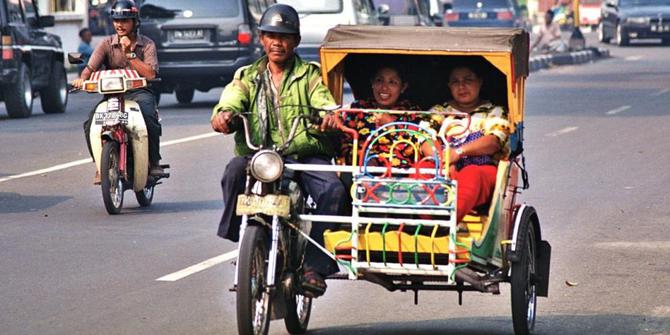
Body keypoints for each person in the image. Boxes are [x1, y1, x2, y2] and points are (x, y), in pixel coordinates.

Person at [210, 4, 345, 298]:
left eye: (284, 37)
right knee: (233, 170)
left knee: (333, 189)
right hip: (262, 155)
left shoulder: (308, 75)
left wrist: (329, 114)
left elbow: (323, 100)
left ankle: (315, 265)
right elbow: (232, 99)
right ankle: (244, 238)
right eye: (271, 35)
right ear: (261, 39)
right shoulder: (248, 75)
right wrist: (225, 115)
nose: (277, 42)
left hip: (304, 153)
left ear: (295, 41)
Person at [73, 0, 163, 184]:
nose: (120, 25)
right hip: (112, 96)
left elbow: (151, 73)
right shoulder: (105, 43)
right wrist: (82, 79)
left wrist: (130, 54)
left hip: (138, 94)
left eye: (125, 20)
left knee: (149, 117)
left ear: (135, 22)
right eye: (116, 20)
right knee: (90, 124)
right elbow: (90, 68)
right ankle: (100, 166)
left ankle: (154, 162)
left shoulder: (147, 44)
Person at [423, 64, 510, 223]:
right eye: (455, 82)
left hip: (481, 169)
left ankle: (446, 222)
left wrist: (458, 153)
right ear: (449, 86)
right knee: (421, 170)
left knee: (472, 174)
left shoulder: (494, 111)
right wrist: (442, 160)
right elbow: (424, 137)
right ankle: (426, 220)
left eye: (468, 80)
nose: (461, 86)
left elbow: (494, 141)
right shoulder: (439, 111)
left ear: (480, 82)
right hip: (442, 165)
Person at [339, 64, 422, 169]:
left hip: (400, 174)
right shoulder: (358, 108)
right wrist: (362, 157)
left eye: (392, 82)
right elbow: (344, 144)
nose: (384, 87)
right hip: (362, 169)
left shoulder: (412, 112)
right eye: (379, 80)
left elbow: (414, 150)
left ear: (403, 87)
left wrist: (391, 125)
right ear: (372, 83)